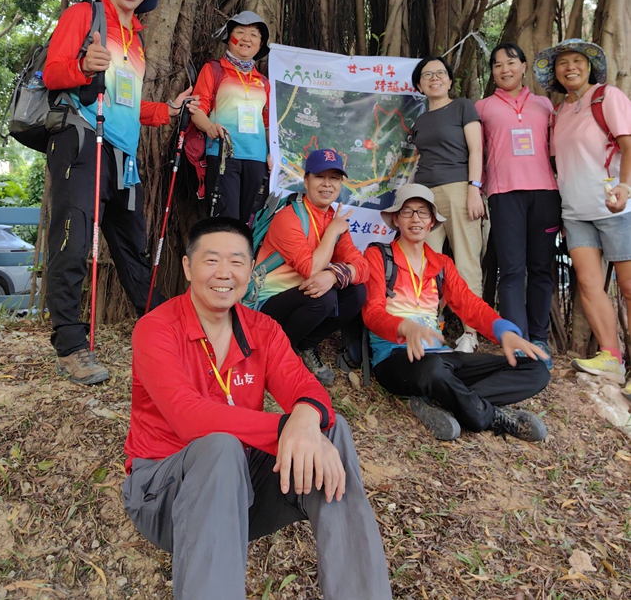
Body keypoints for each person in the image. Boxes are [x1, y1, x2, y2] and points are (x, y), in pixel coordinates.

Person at [122, 217, 393, 600]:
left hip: (240, 491)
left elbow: (306, 388)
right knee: (220, 446)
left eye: (236, 261)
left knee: (329, 431)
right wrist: (285, 428)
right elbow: (188, 416)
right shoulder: (157, 328)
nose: (224, 273)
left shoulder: (261, 328)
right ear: (187, 267)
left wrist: (306, 419)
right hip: (163, 495)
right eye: (211, 260)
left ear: (250, 270)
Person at [43, 0, 197, 385]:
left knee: (133, 248)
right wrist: (81, 66)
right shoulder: (85, 16)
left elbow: (127, 105)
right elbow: (52, 73)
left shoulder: (136, 40)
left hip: (124, 157)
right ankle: (70, 346)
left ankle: (165, 331)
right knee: (73, 241)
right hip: (82, 142)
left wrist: (168, 110)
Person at [363, 184, 551, 441]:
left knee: (536, 369)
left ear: (431, 222)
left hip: (442, 358)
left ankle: (447, 401)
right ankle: (489, 416)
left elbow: (469, 304)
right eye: (407, 212)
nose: (415, 218)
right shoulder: (378, 256)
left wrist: (503, 331)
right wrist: (404, 327)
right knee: (434, 371)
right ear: (396, 219)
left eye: (423, 212)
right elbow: (371, 312)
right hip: (395, 357)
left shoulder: (441, 264)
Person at [534, 39, 631, 398]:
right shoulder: (558, 112)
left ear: (590, 67)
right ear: (555, 74)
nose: (570, 67)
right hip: (575, 212)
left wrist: (625, 186)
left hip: (616, 207)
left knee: (629, 288)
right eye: (562, 63)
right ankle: (611, 357)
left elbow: (628, 144)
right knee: (589, 284)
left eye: (577, 61)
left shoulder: (607, 98)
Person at [476, 43, 561, 369]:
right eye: (497, 65)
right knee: (511, 269)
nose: (504, 69)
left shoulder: (544, 105)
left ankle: (538, 337)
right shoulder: (483, 107)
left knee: (540, 268)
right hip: (504, 194)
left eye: (511, 63)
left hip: (546, 194)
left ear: (524, 66)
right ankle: (518, 338)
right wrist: (476, 189)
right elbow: (476, 153)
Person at [255, 149, 369, 386]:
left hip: (300, 296)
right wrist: (332, 232)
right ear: (306, 180)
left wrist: (335, 274)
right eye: (320, 176)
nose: (327, 184)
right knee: (324, 296)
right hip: (265, 304)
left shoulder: (332, 220)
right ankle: (276, 356)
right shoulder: (289, 217)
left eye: (334, 178)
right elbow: (310, 270)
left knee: (357, 292)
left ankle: (305, 345)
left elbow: (362, 267)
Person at [411, 55, 486, 352]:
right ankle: (429, 325)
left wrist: (474, 188)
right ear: (419, 85)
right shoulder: (419, 121)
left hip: (458, 188)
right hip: (425, 195)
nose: (434, 78)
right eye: (427, 75)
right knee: (425, 262)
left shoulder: (463, 107)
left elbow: (476, 149)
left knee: (466, 261)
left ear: (450, 80)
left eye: (440, 73)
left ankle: (470, 333)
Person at [190, 11, 271, 224]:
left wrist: (273, 153)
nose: (246, 38)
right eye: (240, 32)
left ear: (260, 44)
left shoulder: (263, 82)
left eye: (254, 34)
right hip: (224, 154)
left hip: (257, 159)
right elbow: (197, 109)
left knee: (250, 223)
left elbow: (267, 123)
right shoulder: (214, 70)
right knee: (226, 221)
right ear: (229, 37)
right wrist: (209, 127)